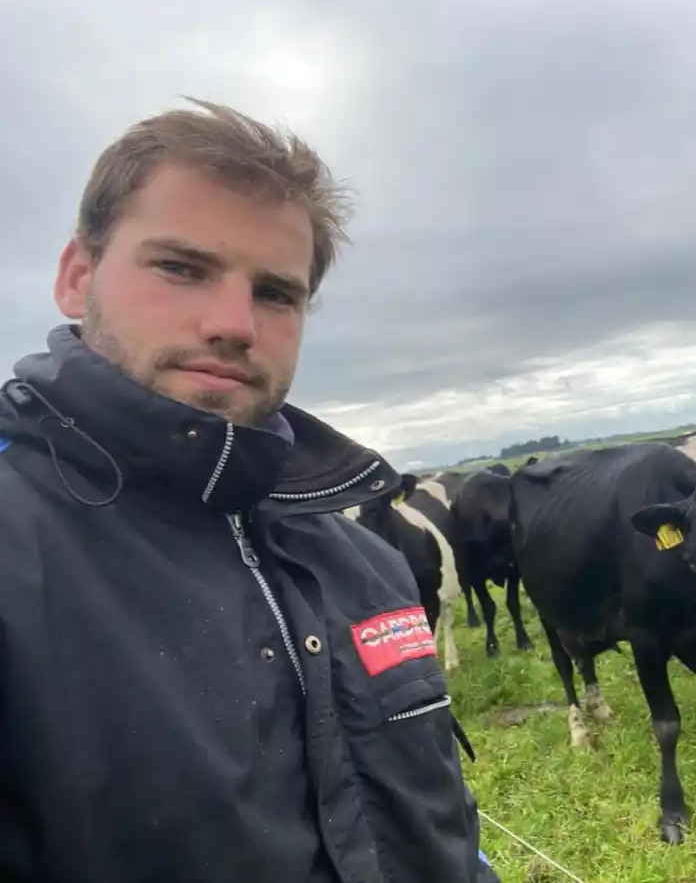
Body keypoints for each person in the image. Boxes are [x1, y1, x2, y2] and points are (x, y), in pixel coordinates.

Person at [0, 98, 501, 883]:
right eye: (181, 268)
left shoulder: (361, 561)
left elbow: (445, 834)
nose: (234, 322)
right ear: (77, 276)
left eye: (276, 293)